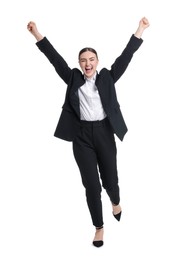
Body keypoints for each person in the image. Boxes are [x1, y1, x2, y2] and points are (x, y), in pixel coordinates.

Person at [27, 17, 150, 247]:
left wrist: (140, 29)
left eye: (91, 59)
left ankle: (116, 201)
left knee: (110, 181)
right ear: (80, 64)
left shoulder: (107, 78)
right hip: (81, 136)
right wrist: (37, 33)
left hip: (104, 132)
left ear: (97, 61)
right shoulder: (73, 78)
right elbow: (54, 59)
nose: (87, 63)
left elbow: (126, 57)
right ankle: (99, 227)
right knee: (91, 185)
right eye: (83, 60)